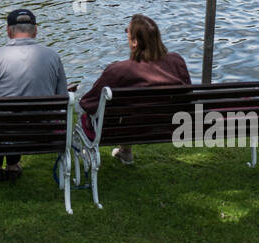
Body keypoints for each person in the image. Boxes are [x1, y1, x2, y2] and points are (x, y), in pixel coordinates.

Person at [78, 14, 190, 165]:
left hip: (123, 128)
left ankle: (121, 151)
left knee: (90, 114)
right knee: (129, 111)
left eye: (127, 32)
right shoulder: (177, 61)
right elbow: (187, 95)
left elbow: (88, 103)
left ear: (135, 42)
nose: (127, 36)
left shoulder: (118, 70)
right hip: (169, 125)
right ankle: (125, 152)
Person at [0, 9, 67, 182]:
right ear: (36, 30)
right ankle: (12, 164)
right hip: (41, 130)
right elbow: (62, 95)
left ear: (8, 31)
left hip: (3, 130)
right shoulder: (54, 57)